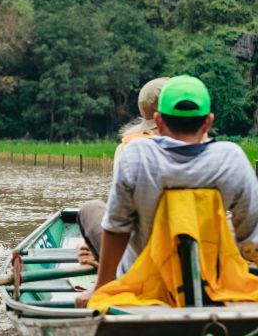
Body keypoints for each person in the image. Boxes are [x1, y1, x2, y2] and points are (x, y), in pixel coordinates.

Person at [75, 75, 258, 308]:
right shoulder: (231, 158)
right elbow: (251, 239)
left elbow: (117, 228)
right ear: (208, 122)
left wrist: (100, 289)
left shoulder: (137, 154)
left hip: (142, 286)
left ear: (158, 121)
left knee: (90, 209)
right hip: (214, 283)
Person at [77, 77, 169, 268]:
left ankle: (109, 265)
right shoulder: (207, 153)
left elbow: (118, 216)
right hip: (186, 250)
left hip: (140, 257)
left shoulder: (128, 149)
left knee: (91, 208)